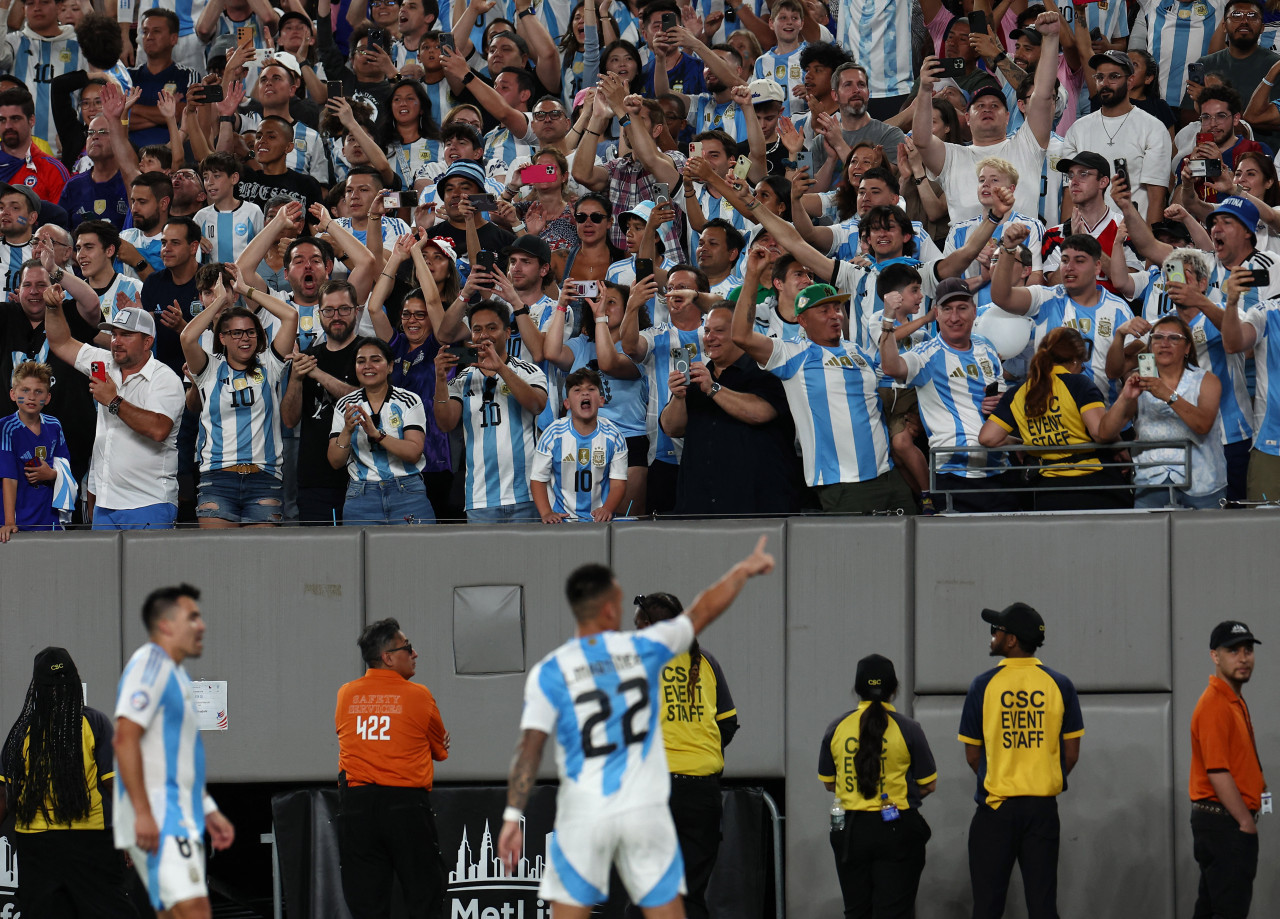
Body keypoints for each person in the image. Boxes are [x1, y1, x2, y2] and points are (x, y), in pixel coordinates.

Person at [496, 536, 776, 917]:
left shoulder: (564, 667)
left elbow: (529, 749)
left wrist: (513, 816)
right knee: (683, 900)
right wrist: (741, 571)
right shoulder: (667, 655)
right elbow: (702, 612)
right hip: (690, 791)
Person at [113, 584, 236, 917]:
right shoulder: (149, 669)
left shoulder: (174, 675)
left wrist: (207, 809)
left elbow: (178, 759)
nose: (202, 626)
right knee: (194, 910)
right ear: (166, 625)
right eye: (192, 618)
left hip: (173, 812)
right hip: (160, 815)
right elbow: (124, 740)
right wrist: (142, 813)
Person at [959, 602, 1084, 919]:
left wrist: (1002, 775)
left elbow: (973, 755)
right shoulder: (1061, 685)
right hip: (1042, 811)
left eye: (996, 630)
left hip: (995, 810)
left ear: (1011, 640)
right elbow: (1071, 753)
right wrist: (1038, 777)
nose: (992, 636)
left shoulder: (983, 686)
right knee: (1043, 907)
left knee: (987, 907)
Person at [626, 591, 741, 919]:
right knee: (690, 897)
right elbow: (728, 724)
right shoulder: (706, 661)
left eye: (638, 626)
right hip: (702, 795)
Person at [0, 647, 133, 918]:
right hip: (90, 840)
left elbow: (4, 794)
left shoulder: (21, 732)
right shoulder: (93, 722)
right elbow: (113, 785)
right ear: (74, 681)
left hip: (37, 843)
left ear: (36, 687)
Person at [335, 617, 451, 919]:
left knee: (366, 902)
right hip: (406, 807)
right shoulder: (419, 696)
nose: (415, 654)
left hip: (356, 807)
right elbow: (439, 750)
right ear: (388, 658)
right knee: (424, 895)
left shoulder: (345, 694)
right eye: (408, 648)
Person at [43, 296, 185, 530]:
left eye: (126, 335)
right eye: (115, 334)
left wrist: (113, 400)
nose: (116, 341)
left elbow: (159, 429)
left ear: (147, 341)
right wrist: (52, 307)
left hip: (149, 502)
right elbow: (61, 343)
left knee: (149, 568)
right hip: (106, 505)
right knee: (103, 568)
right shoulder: (104, 362)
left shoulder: (165, 378)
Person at [819, 653, 936, 919]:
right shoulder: (909, 729)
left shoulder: (836, 728)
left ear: (857, 690)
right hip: (895, 827)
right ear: (894, 690)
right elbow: (929, 784)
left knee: (856, 911)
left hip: (850, 830)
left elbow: (829, 784)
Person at [180, 268, 299, 528]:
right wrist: (221, 301)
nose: (244, 338)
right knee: (217, 563)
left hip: (265, 478)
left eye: (250, 332)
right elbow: (188, 337)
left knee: (263, 563)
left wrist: (246, 290)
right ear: (222, 337)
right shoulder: (208, 367)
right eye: (235, 333)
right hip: (217, 479)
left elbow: (290, 315)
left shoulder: (270, 365)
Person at [660, 303, 799, 516]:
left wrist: (713, 388)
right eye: (707, 331)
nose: (710, 337)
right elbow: (672, 428)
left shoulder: (766, 370)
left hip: (756, 506)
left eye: (719, 331)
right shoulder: (697, 378)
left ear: (741, 332)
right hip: (700, 506)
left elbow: (761, 413)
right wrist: (678, 398)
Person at [980, 328, 1129, 511]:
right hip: (1094, 486)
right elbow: (1100, 433)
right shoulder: (1078, 383)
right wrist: (1120, 441)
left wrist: (1024, 443)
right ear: (1076, 360)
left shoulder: (1018, 393)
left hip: (1047, 491)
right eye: (1082, 365)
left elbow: (987, 437)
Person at [433, 298, 548, 523]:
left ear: (507, 333)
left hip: (526, 493)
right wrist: (439, 379)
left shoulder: (528, 371)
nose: (484, 334)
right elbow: (445, 424)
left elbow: (537, 405)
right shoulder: (460, 380)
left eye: (491, 328)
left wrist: (501, 369)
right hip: (480, 498)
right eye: (477, 329)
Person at [1099, 313, 1227, 509]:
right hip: (1151, 480)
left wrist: (1168, 395)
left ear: (1187, 348)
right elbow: (1105, 433)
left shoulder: (1207, 381)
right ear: (1150, 346)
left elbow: (1203, 426)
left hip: (1202, 482)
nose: (1164, 343)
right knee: (1148, 540)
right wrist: (1125, 397)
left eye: (1174, 338)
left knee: (1205, 540)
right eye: (1158, 338)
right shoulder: (1138, 381)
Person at [1189, 620, 1266, 919]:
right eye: (1233, 650)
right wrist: (1245, 823)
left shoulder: (1232, 701)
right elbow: (1217, 771)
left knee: (1210, 910)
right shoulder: (1216, 704)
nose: (1243, 657)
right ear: (1215, 656)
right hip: (1225, 825)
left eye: (1248, 650)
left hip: (1220, 824)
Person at [329, 336, 437, 525]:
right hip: (361, 496)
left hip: (407, 492)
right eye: (361, 361)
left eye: (376, 360)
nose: (367, 366)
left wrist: (377, 435)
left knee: (419, 554)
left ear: (389, 367)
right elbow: (335, 462)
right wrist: (346, 430)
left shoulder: (409, 400)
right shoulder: (345, 405)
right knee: (361, 555)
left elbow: (413, 453)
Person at [530, 367, 630, 523]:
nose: (585, 393)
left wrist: (607, 509)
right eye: (577, 390)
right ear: (567, 404)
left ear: (601, 401)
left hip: (599, 522)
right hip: (562, 521)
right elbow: (537, 479)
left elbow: (618, 483)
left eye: (591, 389)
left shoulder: (614, 436)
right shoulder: (553, 434)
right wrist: (546, 513)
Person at [0, 360, 72, 539]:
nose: (31, 397)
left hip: (50, 517)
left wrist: (51, 475)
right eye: (25, 390)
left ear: (47, 398)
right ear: (13, 394)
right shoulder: (6, 428)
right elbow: (8, 477)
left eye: (38, 391)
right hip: (18, 518)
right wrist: (9, 522)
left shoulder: (54, 425)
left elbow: (64, 467)